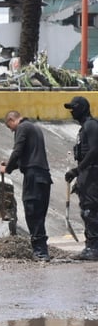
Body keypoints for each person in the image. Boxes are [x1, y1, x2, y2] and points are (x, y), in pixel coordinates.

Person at [0, 110, 52, 261]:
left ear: (12, 120)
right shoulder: (35, 128)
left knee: (32, 212)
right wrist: (10, 166)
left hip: (33, 177)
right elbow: (25, 157)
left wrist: (7, 168)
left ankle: (40, 252)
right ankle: (42, 250)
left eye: (10, 127)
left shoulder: (22, 128)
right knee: (39, 214)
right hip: (43, 176)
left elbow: (18, 151)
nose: (11, 130)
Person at [65, 96, 98, 260]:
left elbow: (93, 151)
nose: (72, 112)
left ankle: (93, 248)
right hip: (87, 175)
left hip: (92, 173)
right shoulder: (84, 127)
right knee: (87, 210)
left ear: (83, 108)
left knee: (90, 210)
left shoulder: (91, 125)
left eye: (74, 108)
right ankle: (91, 246)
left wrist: (77, 171)